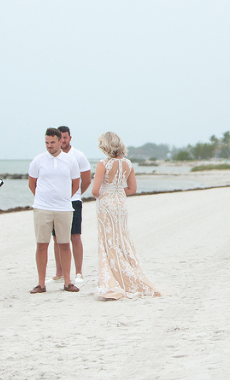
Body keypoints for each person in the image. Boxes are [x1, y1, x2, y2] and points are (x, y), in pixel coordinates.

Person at [92, 131, 160, 299]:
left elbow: (95, 191)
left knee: (107, 240)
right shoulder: (128, 164)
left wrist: (107, 191)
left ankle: (112, 280)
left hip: (106, 204)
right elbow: (132, 189)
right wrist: (116, 190)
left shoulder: (103, 164)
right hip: (121, 204)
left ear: (105, 145)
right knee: (122, 238)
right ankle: (126, 277)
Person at [28, 128, 81, 294]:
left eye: (52, 142)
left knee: (64, 245)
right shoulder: (38, 160)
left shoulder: (70, 161)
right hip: (42, 208)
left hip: (64, 209)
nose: (49, 146)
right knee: (42, 245)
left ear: (60, 142)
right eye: (47, 143)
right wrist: (43, 199)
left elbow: (76, 183)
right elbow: (32, 183)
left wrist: (64, 198)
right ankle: (41, 284)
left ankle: (67, 282)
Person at [50, 126, 92, 285]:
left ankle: (79, 272)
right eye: (60, 138)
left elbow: (87, 180)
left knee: (75, 236)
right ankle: (59, 272)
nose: (63, 141)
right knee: (57, 238)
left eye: (65, 138)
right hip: (56, 203)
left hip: (73, 201)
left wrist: (76, 193)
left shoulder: (78, 156)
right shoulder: (53, 156)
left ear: (70, 138)